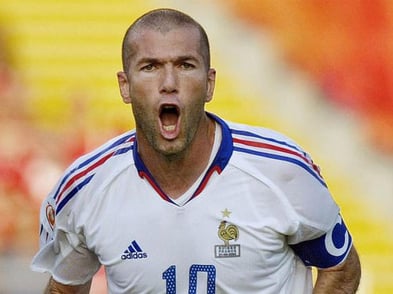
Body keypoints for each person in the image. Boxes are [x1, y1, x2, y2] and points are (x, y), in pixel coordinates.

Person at [31, 8, 361, 293]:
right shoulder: (84, 189)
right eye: (150, 67)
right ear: (125, 86)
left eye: (186, 65)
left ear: (210, 83)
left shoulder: (282, 169)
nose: (169, 82)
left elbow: (342, 267)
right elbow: (63, 288)